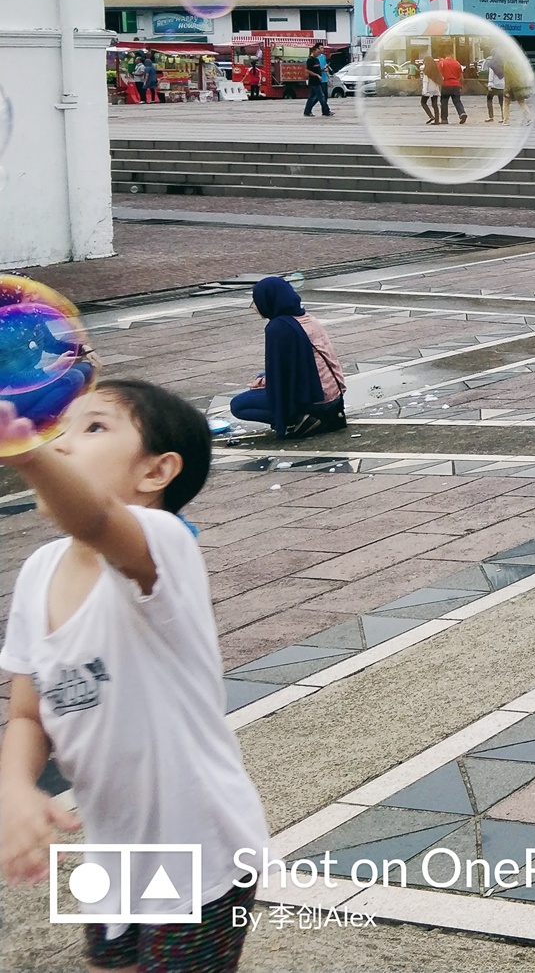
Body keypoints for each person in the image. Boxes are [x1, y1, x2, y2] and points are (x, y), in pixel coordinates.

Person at [0, 380, 271, 973]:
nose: (61, 442)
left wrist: (28, 455)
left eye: (93, 427)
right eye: (59, 428)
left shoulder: (165, 545)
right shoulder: (38, 571)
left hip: (203, 850)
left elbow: (98, 517)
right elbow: (26, 714)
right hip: (114, 853)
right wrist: (14, 788)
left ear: (157, 472)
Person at [228, 276, 347, 438]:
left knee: (238, 405)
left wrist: (264, 382)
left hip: (316, 400)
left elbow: (283, 375)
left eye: (257, 301)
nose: (255, 307)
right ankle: (309, 417)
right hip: (333, 395)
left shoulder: (279, 327)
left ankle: (299, 419)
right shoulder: (307, 318)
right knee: (262, 376)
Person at [435, 48, 468, 124]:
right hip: (456, 84)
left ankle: (444, 119)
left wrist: (440, 83)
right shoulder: (457, 63)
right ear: (451, 54)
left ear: (445, 55)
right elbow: (461, 76)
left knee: (444, 102)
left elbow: (438, 74)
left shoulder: (442, 63)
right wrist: (461, 84)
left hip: (446, 84)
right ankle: (462, 113)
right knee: (457, 101)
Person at [304, 42, 334, 118]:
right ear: (314, 51)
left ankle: (307, 111)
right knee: (321, 97)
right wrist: (316, 75)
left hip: (318, 81)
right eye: (317, 52)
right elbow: (308, 70)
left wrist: (323, 70)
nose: (318, 54)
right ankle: (326, 111)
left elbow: (318, 69)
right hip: (314, 81)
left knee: (312, 97)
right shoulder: (310, 60)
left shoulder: (316, 59)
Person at [483, 47, 512, 123]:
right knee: (501, 101)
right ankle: (503, 117)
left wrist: (490, 84)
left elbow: (491, 75)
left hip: (494, 85)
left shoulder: (492, 63)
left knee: (489, 99)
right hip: (502, 85)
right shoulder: (503, 63)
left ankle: (491, 116)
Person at [419, 54, 443, 125]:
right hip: (435, 89)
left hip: (428, 89)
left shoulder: (426, 71)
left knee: (423, 102)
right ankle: (437, 120)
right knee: (435, 105)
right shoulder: (436, 71)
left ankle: (431, 116)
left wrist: (424, 91)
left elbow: (425, 81)